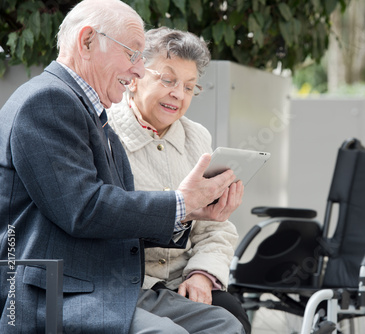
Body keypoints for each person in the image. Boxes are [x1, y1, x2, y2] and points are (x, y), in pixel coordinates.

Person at [0, 0, 245, 333]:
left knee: (222, 324)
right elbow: (83, 209)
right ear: (87, 41)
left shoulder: (92, 113)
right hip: (57, 292)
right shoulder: (46, 101)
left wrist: (190, 213)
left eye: (189, 86)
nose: (139, 70)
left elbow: (116, 216)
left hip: (103, 281)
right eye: (132, 54)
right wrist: (180, 204)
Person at [107, 27, 251, 333]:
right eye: (168, 80)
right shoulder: (105, 134)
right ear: (134, 78)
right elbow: (107, 216)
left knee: (234, 315)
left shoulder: (197, 137)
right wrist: (180, 211)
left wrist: (202, 273)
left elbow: (216, 228)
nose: (178, 94)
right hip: (126, 283)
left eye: (189, 87)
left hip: (181, 279)